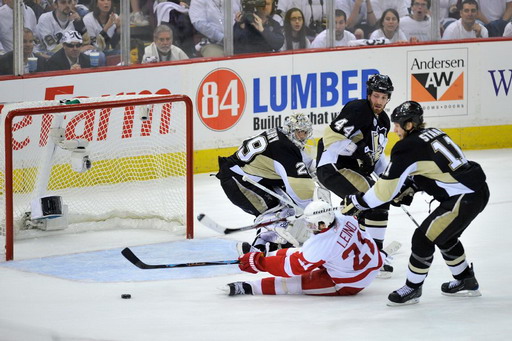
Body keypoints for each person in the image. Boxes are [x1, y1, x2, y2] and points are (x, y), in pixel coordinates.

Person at [341, 101, 490, 306]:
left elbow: (384, 192)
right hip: (475, 191)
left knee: (423, 238)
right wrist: (413, 184)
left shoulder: (407, 147)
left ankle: (413, 288)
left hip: (463, 199)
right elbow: (435, 168)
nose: (395, 129)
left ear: (410, 125)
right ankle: (465, 280)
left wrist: (359, 202)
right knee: (445, 236)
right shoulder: (433, 133)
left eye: (398, 125)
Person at [225, 200, 384, 296]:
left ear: (323, 223)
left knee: (296, 283)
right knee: (300, 254)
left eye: (312, 224)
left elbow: (290, 268)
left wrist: (259, 264)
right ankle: (264, 253)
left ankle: (248, 287)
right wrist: (262, 258)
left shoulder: (322, 245)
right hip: (370, 261)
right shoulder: (343, 217)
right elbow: (302, 256)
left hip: (351, 282)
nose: (309, 227)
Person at [315, 74, 393, 257]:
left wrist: (392, 179)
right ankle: (372, 252)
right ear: (369, 94)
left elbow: (376, 155)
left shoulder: (384, 121)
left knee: (375, 200)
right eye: (376, 96)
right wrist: (358, 151)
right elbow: (330, 138)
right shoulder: (359, 109)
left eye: (383, 97)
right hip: (333, 167)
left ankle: (361, 249)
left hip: (350, 170)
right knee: (373, 201)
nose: (379, 101)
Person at [215, 113, 316, 251]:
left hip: (249, 177)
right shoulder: (284, 148)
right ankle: (259, 248)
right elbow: (300, 191)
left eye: (305, 133)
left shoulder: (281, 137)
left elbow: (304, 164)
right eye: (300, 132)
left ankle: (272, 243)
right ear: (290, 130)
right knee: (274, 211)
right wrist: (314, 212)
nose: (302, 137)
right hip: (238, 182)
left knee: (287, 206)